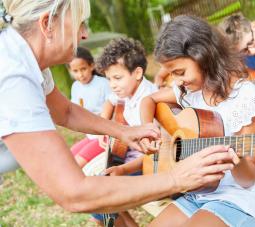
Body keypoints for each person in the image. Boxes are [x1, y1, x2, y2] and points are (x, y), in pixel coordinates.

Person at [0, 0, 238, 218]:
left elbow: (65, 111)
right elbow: (75, 193)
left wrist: (122, 132)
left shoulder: (28, 60)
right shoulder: (13, 77)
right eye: (80, 24)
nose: (84, 35)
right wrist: (175, 179)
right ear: (47, 24)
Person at [140, 15, 255, 227]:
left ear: (203, 56)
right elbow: (148, 100)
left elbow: (248, 178)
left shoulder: (246, 98)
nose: (177, 81)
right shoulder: (189, 91)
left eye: (180, 72)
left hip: (239, 198)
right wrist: (147, 128)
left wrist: (235, 160)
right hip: (199, 191)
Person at [90, 37, 159, 226]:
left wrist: (122, 170)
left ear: (137, 73)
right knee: (96, 193)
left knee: (98, 200)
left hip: (147, 166)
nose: (112, 85)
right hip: (128, 158)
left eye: (117, 78)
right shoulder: (127, 90)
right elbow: (111, 100)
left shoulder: (149, 100)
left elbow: (155, 154)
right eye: (109, 79)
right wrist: (107, 128)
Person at [69, 47, 112, 168]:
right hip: (91, 135)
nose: (80, 75)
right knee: (68, 158)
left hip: (103, 135)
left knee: (76, 165)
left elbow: (113, 108)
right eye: (75, 71)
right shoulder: (76, 87)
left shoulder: (103, 84)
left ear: (91, 66)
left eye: (83, 69)